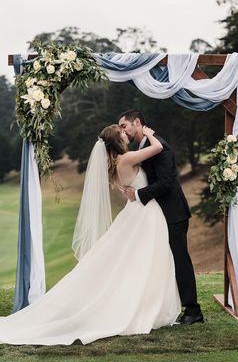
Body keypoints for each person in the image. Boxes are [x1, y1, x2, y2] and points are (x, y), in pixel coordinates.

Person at [0, 124, 181, 345]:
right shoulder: (127, 158)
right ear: (117, 140)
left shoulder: (115, 163)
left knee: (139, 261)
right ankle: (143, 306)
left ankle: (145, 304)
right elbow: (158, 148)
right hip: (144, 215)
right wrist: (152, 135)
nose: (126, 134)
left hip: (138, 213)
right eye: (122, 133)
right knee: (147, 260)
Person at [118, 110, 203, 325]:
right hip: (157, 214)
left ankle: (193, 310)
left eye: (124, 125)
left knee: (180, 259)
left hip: (173, 212)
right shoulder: (142, 146)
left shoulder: (159, 146)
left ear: (137, 122)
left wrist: (138, 194)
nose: (122, 130)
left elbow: (166, 182)